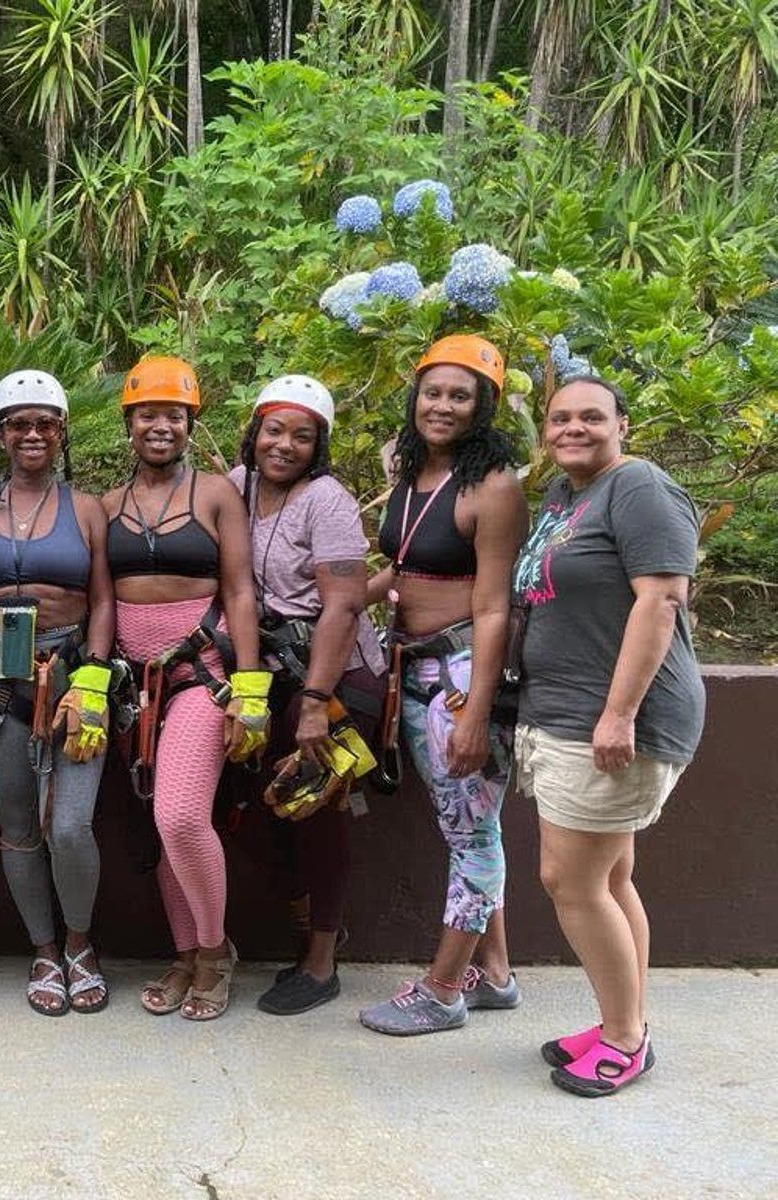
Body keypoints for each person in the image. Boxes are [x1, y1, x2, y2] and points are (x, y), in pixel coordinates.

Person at [513, 376, 704, 1096]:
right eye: (560, 418)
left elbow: (659, 601)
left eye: (591, 416)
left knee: (570, 880)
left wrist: (619, 712)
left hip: (615, 719)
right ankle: (622, 1021)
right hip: (568, 714)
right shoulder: (566, 498)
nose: (573, 428)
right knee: (611, 878)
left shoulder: (640, 488)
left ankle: (625, 1039)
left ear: (623, 422)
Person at [359, 334, 528, 1036]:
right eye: (434, 391)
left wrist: (476, 712)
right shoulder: (405, 467)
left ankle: (444, 989)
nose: (443, 406)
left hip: (460, 677)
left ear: (483, 406)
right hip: (412, 670)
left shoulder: (494, 486)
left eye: (461, 395)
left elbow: (494, 607)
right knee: (468, 828)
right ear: (415, 395)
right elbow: (402, 568)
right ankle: (495, 976)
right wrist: (336, 600)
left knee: (473, 841)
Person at [102, 355, 269, 1022]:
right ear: (130, 423)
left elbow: (239, 590)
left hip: (203, 674)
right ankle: (184, 953)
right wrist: (91, 681)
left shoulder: (216, 494)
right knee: (162, 827)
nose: (160, 425)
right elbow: (100, 601)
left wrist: (250, 691)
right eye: (148, 414)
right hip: (134, 686)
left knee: (179, 816)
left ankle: (214, 951)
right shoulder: (108, 506)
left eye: (173, 414)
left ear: (190, 422)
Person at [226, 376, 387, 1016]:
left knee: (314, 806)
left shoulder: (327, 500)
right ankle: (311, 915)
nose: (284, 445)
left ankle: (321, 961)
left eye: (302, 436)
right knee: (244, 800)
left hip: (335, 676)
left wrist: (317, 700)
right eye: (274, 430)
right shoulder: (236, 489)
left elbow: (345, 601)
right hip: (267, 672)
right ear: (254, 432)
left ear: (319, 445)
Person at [0, 370, 115, 1016]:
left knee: (72, 825)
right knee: (20, 828)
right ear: (0, 433)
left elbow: (104, 598)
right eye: (19, 423)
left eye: (45, 423)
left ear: (60, 433)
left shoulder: (86, 508)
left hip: (72, 670)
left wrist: (95, 679)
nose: (32, 434)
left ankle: (82, 943)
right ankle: (45, 949)